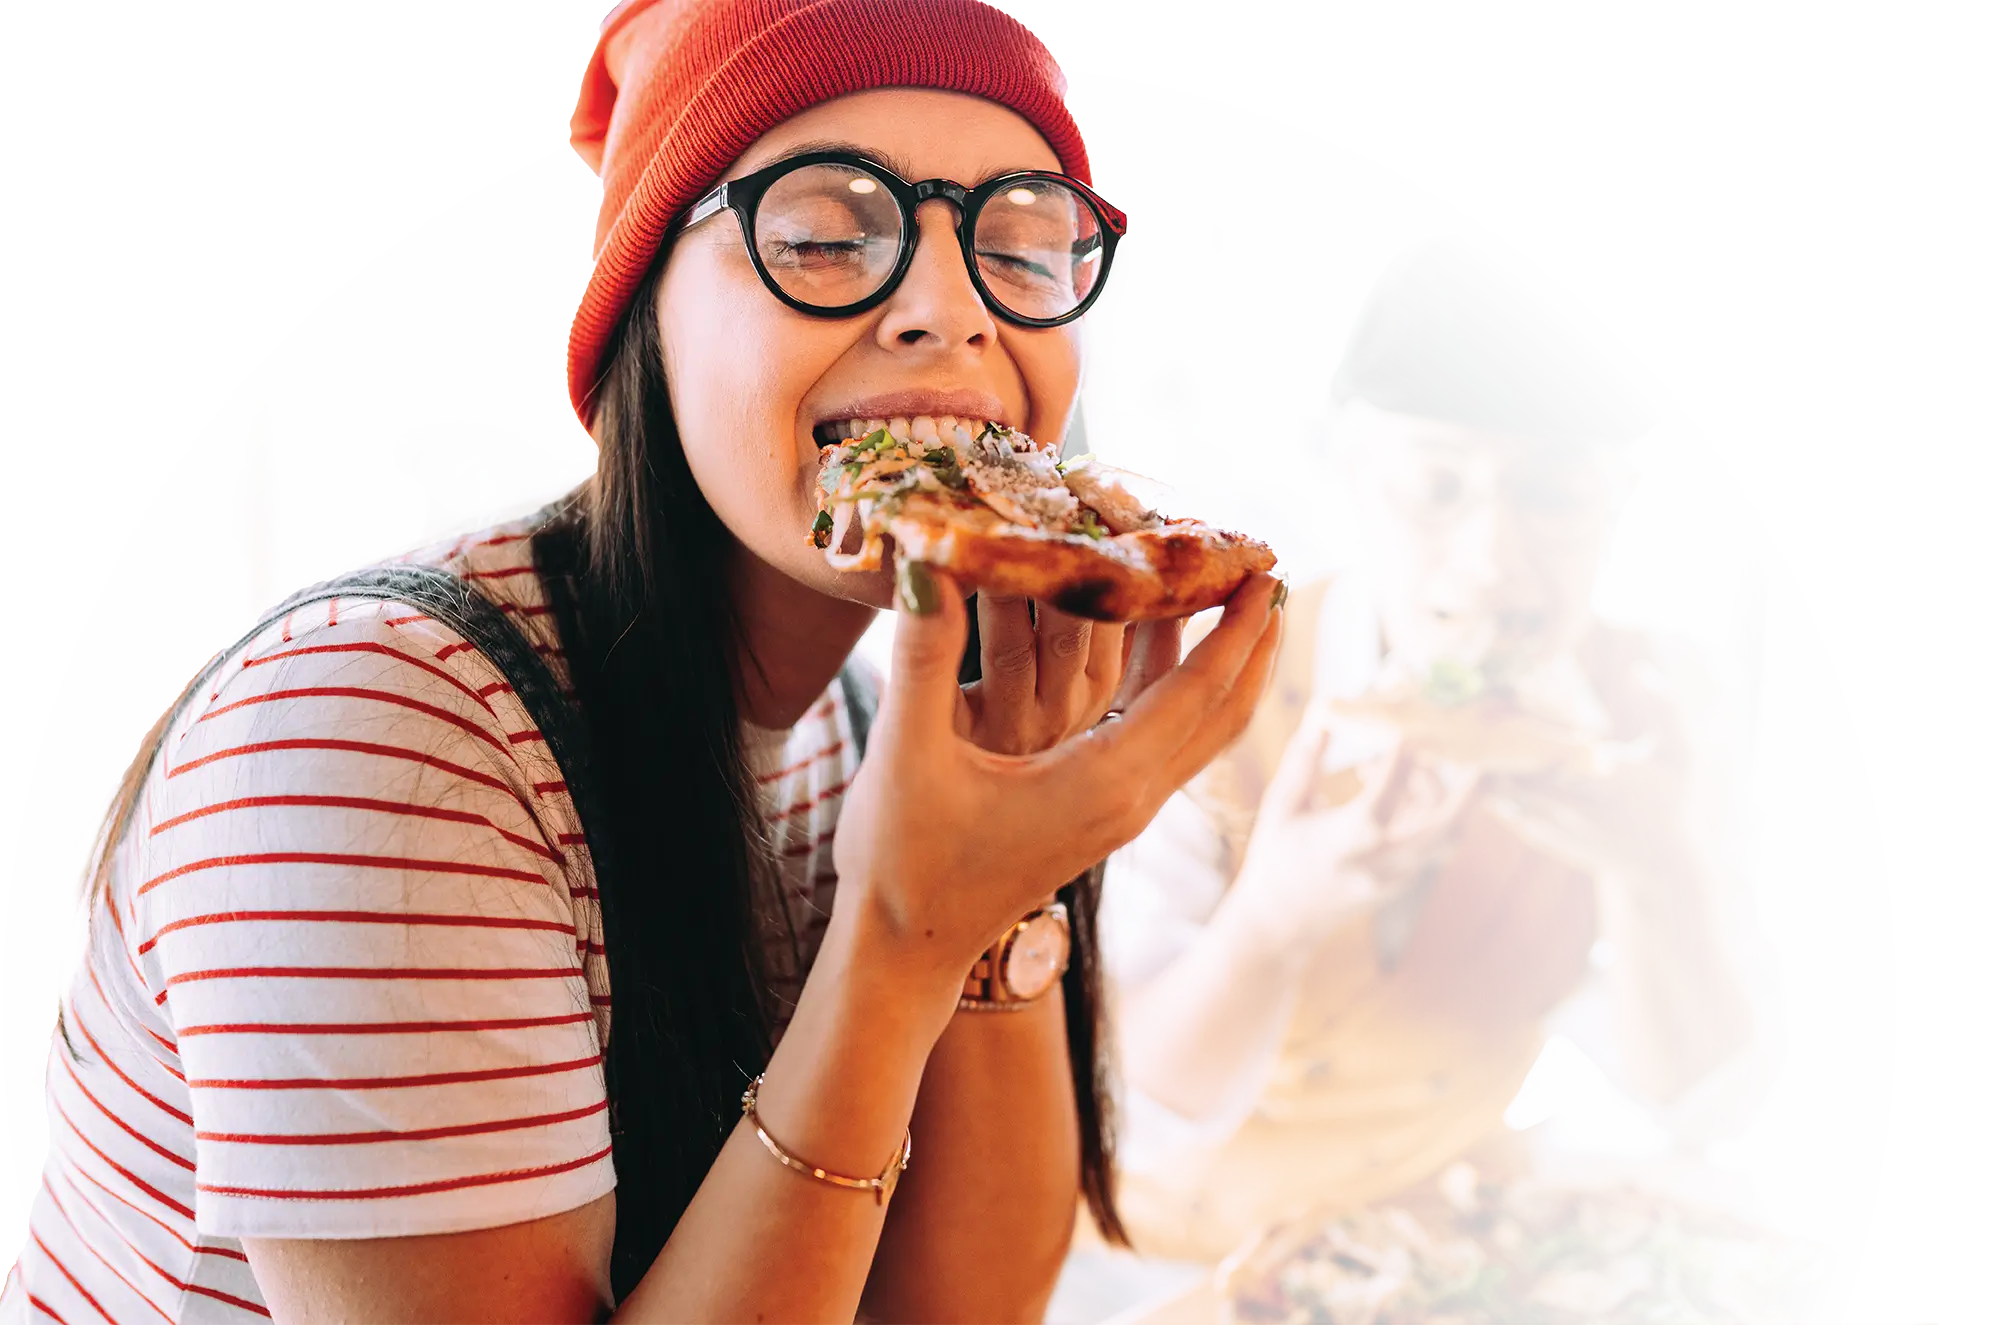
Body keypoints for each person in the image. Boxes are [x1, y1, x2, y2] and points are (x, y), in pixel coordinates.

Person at [0, 3, 1289, 1321]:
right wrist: (902, 939)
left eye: (1020, 248)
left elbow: (959, 1308)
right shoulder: (369, 739)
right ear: (641, 311)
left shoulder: (867, 711)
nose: (950, 314)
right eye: (825, 236)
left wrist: (1004, 888)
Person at [1093, 225, 1785, 1266]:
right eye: (1436, 485)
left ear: (1616, 506)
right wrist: (1273, 917)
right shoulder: (1209, 672)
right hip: (1166, 1258)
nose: (1491, 562)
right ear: (1359, 480)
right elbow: (1119, 1114)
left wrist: (1655, 872)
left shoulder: (1664, 705)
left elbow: (1706, 1105)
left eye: (1551, 495)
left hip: (1445, 1246)